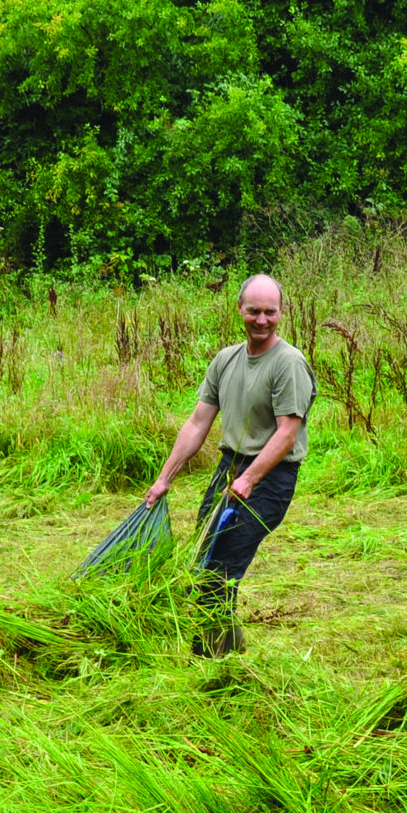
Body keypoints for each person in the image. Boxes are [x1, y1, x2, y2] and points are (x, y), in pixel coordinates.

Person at [143, 273, 315, 654]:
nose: (262, 320)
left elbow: (287, 432)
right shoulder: (226, 359)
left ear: (281, 313)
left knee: (220, 571)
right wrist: (163, 479)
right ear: (240, 310)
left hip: (270, 477)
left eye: (270, 312)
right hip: (229, 470)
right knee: (203, 560)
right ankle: (229, 648)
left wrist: (251, 478)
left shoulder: (288, 363)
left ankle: (212, 663)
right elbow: (197, 423)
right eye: (254, 311)